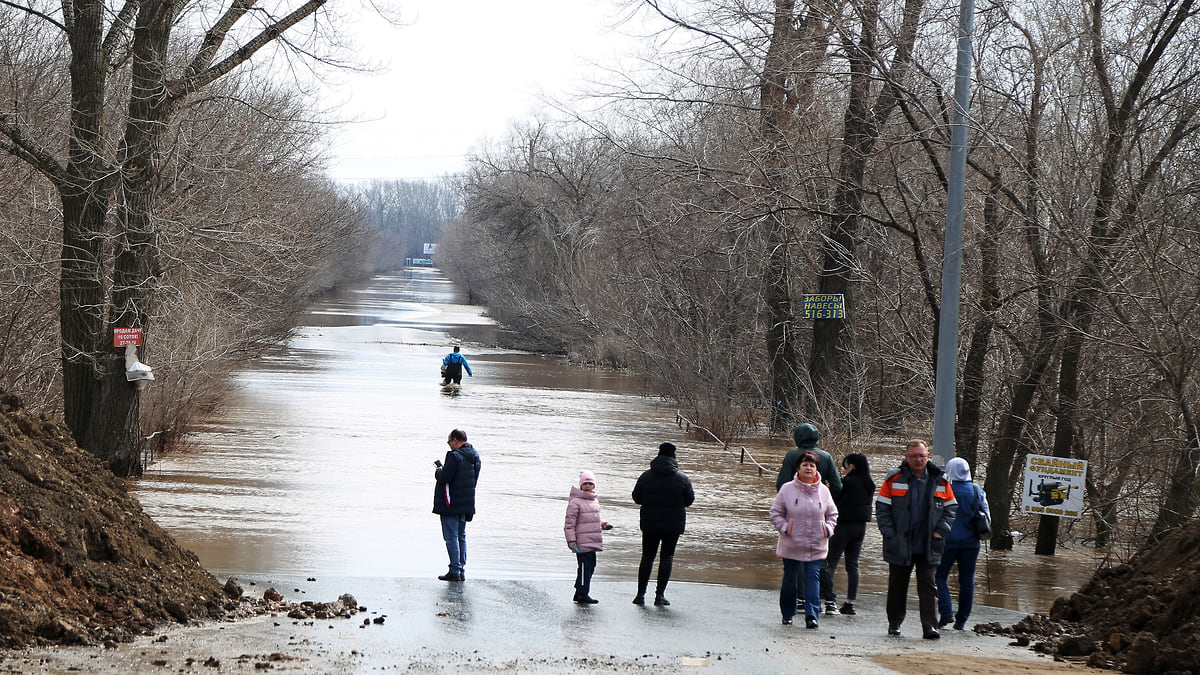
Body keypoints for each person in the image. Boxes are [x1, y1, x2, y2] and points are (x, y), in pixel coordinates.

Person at [876, 438, 957, 639]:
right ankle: (894, 623)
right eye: (914, 456)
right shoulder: (893, 479)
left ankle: (930, 626)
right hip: (900, 542)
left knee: (928, 585)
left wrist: (940, 531)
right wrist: (890, 533)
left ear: (928, 456)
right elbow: (882, 509)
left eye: (922, 455)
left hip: (929, 543)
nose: (918, 459)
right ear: (906, 457)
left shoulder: (941, 480)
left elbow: (951, 509)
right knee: (897, 585)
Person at [775, 423, 843, 614]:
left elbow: (781, 485)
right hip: (819, 517)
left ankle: (802, 597)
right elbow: (837, 486)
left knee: (796, 559)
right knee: (820, 560)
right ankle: (830, 600)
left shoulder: (792, 457)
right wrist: (826, 505)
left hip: (796, 517)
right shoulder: (827, 457)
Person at [769, 451, 839, 628]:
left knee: (812, 579)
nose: (809, 468)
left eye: (812, 465)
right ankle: (787, 613)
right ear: (798, 468)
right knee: (790, 579)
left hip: (816, 543)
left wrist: (828, 529)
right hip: (792, 543)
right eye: (805, 465)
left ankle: (812, 615)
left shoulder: (824, 491)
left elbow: (833, 514)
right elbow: (775, 513)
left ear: (816, 469)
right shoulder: (787, 489)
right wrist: (785, 528)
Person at [631, 442, 695, 607]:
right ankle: (660, 596)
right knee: (667, 557)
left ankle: (640, 595)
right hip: (673, 525)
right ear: (674, 457)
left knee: (647, 557)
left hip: (650, 523)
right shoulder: (683, 479)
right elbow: (689, 501)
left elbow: (636, 498)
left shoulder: (646, 476)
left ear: (658, 455)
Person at [935, 457, 990, 631]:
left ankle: (946, 612)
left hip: (947, 541)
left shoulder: (944, 489)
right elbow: (987, 517)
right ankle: (962, 620)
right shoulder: (976, 491)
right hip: (971, 543)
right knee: (967, 580)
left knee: (939, 577)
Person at [825, 453, 875, 615]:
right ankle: (850, 602)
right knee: (852, 565)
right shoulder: (870, 484)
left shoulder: (847, 482)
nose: (844, 470)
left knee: (830, 562)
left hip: (843, 526)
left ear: (852, 466)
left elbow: (835, 501)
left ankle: (827, 598)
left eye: (845, 467)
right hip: (860, 527)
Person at [432, 428, 481, 581]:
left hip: (451, 504)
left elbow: (445, 477)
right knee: (461, 536)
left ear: (455, 440)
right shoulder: (475, 455)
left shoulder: (454, 456)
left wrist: (439, 470)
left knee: (451, 536)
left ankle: (454, 569)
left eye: (449, 442)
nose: (449, 445)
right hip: (466, 503)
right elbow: (474, 478)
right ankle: (461, 570)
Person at [564, 470, 613, 604]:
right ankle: (582, 593)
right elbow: (569, 523)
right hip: (581, 542)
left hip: (592, 540)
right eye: (585, 483)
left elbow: (593, 520)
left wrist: (603, 525)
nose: (588, 486)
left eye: (590, 483)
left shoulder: (594, 501)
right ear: (580, 485)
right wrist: (571, 541)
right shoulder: (575, 502)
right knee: (585, 566)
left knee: (591, 566)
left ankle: (580, 591)